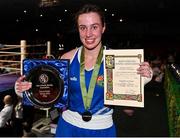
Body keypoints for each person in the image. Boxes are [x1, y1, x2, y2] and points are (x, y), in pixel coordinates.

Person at [14, 4, 153, 137]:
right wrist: (25, 90)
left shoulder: (117, 61)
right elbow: (50, 93)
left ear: (103, 28)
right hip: (68, 128)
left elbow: (129, 111)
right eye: (83, 28)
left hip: (102, 130)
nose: (88, 34)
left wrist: (139, 83)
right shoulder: (66, 58)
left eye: (94, 27)